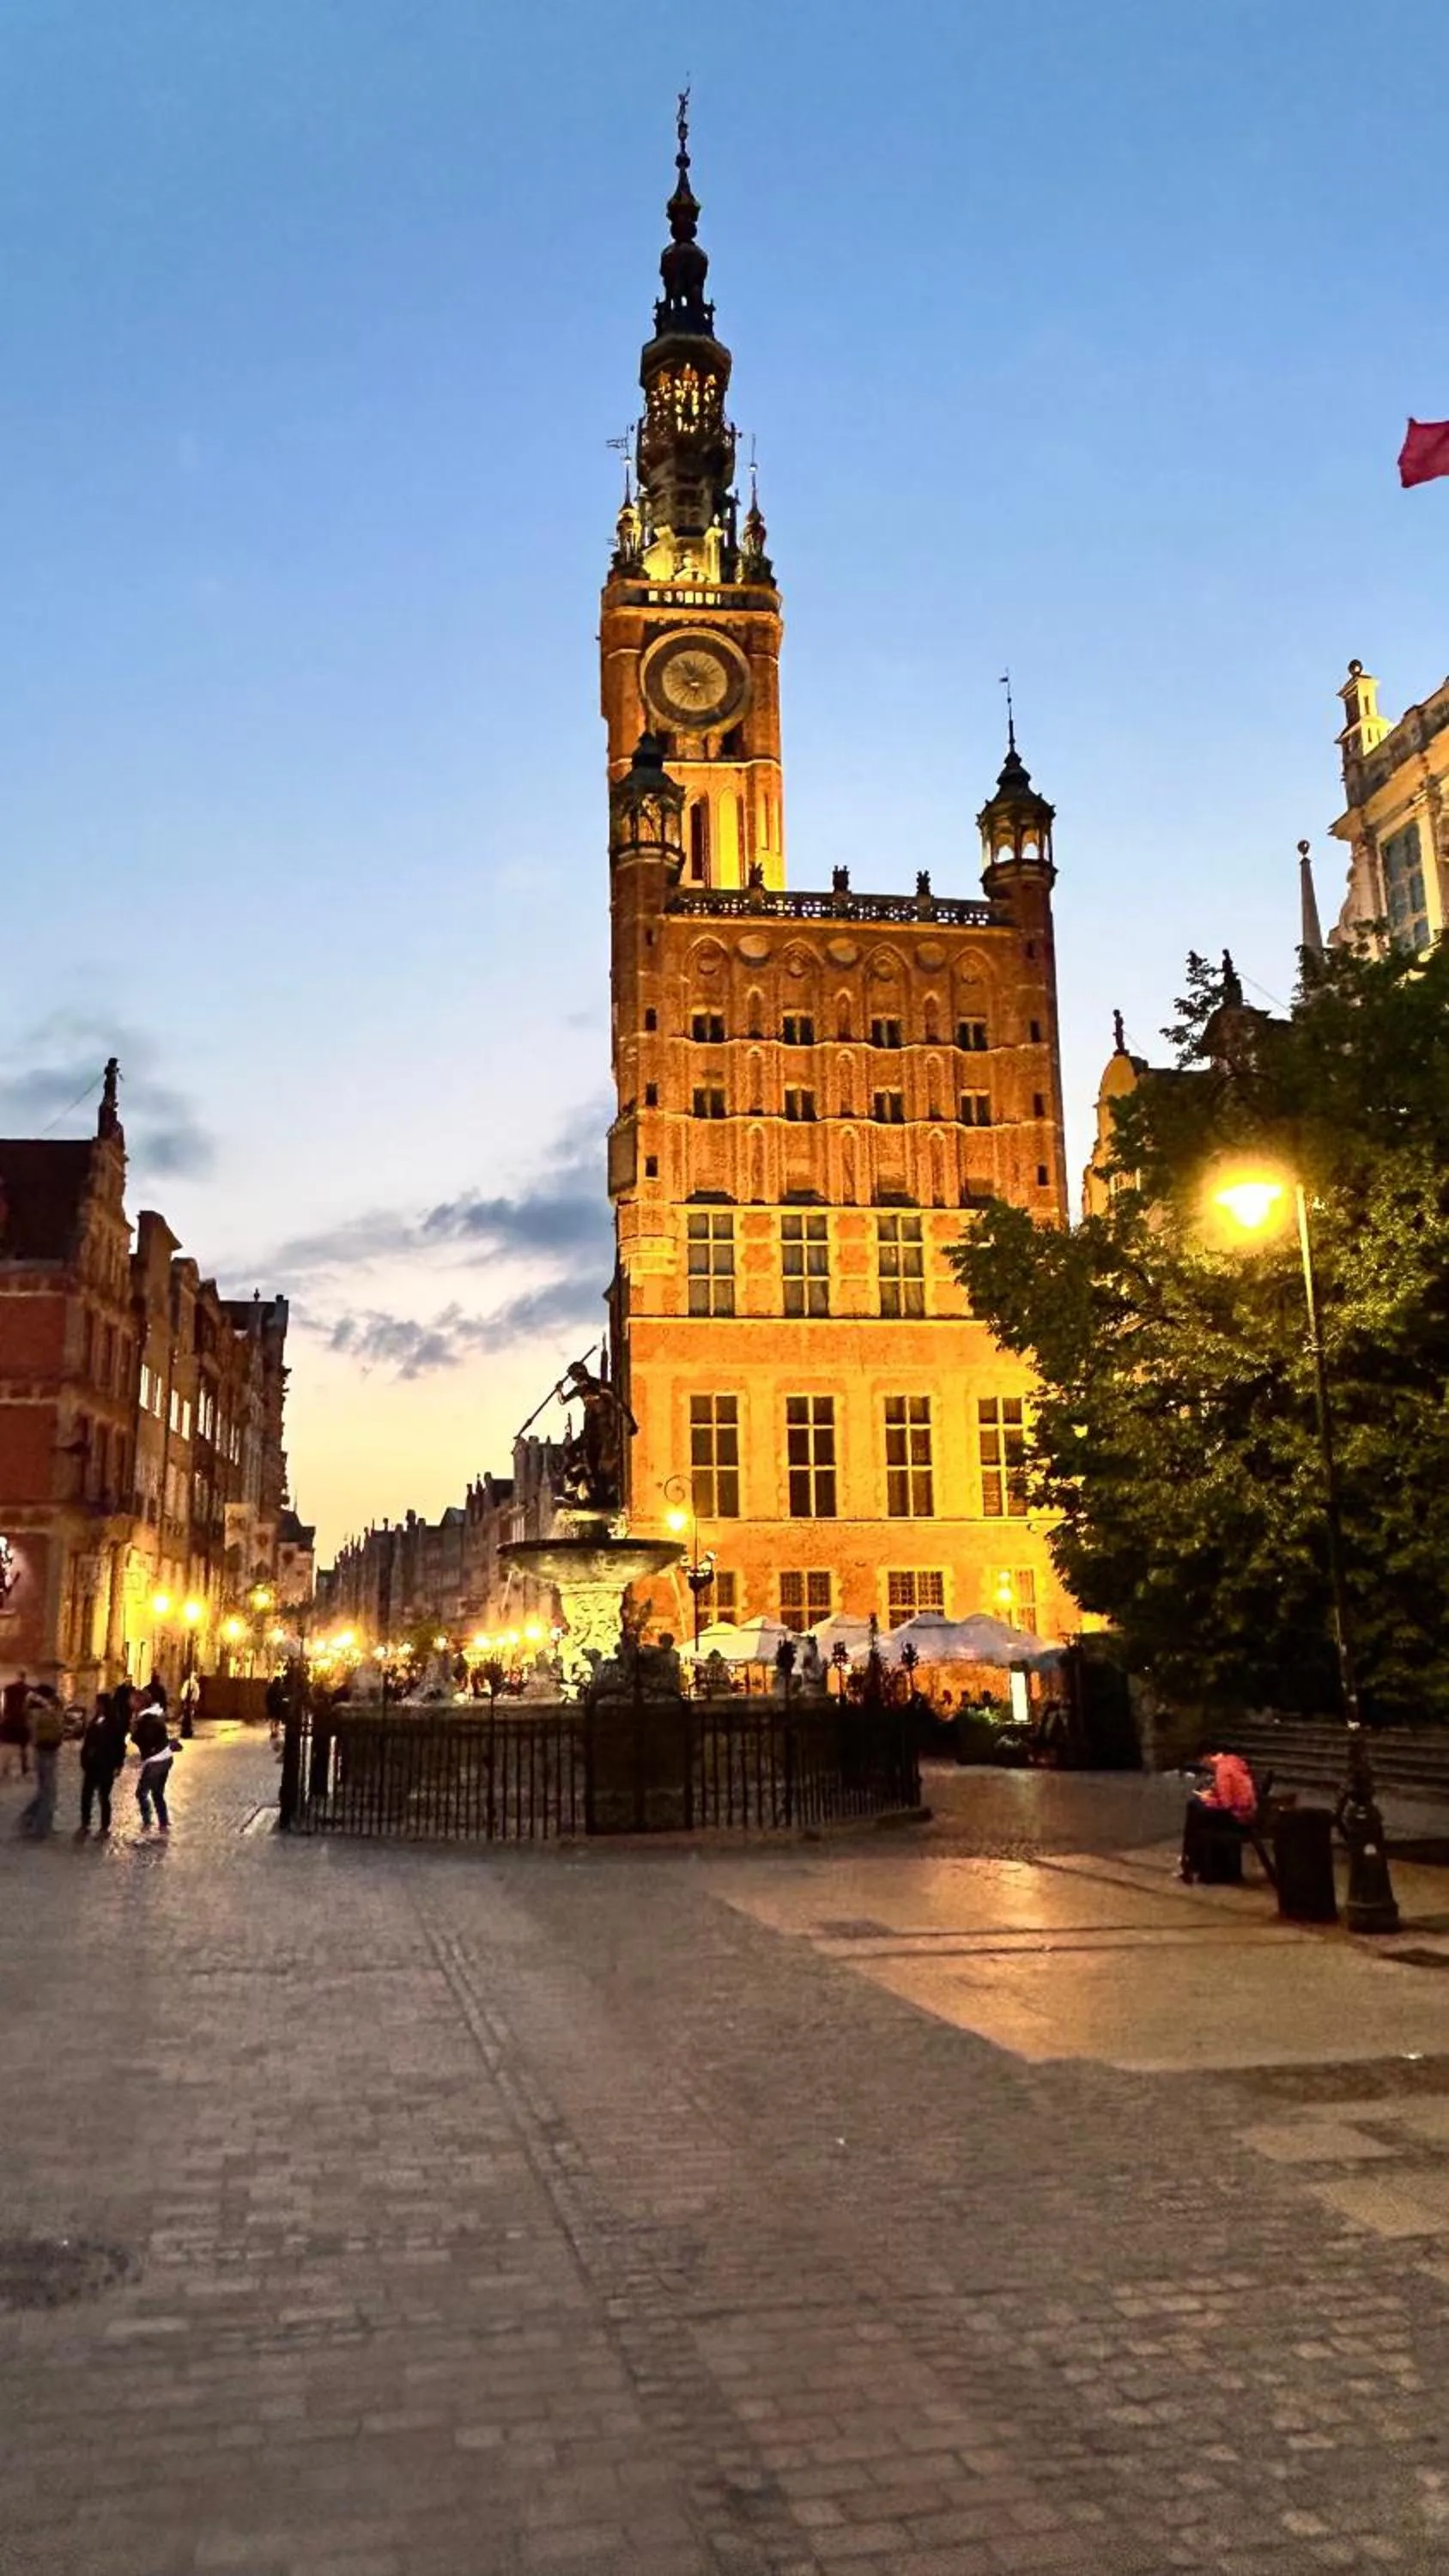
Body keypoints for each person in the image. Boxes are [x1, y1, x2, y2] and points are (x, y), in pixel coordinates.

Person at [1179, 1747, 1258, 1882]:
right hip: (1247, 1813)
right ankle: (1192, 1861)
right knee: (1197, 1809)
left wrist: (1208, 1799)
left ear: (1208, 1756)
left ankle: (1191, 1861)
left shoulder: (1223, 1769)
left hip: (1238, 1817)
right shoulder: (1235, 1763)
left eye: (1203, 1762)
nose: (1204, 1766)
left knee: (1195, 1811)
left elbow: (1227, 1803)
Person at [77, 1693, 130, 1838]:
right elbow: (88, 1741)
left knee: (103, 1796)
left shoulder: (114, 1724)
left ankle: (104, 1827)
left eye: (98, 1704)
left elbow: (120, 1746)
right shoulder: (95, 1721)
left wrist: (118, 1764)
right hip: (92, 1764)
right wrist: (85, 1758)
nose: (96, 1706)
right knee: (86, 1795)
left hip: (106, 1764)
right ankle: (85, 1823)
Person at [18, 1688, 66, 1837]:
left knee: (45, 1792)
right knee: (48, 1792)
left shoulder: (44, 1714)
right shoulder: (44, 1715)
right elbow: (47, 1731)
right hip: (45, 1754)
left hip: (46, 1753)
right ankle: (41, 1827)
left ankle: (31, 1820)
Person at [131, 1695, 179, 1832]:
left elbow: (144, 1740)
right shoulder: (155, 1716)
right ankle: (163, 1822)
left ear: (141, 1703)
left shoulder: (147, 1720)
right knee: (157, 1793)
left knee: (142, 1793)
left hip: (155, 1761)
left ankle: (148, 1821)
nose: (131, 1703)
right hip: (165, 1758)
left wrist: (135, 1731)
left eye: (133, 1700)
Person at [1, 1669, 30, 1778]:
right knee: (23, 1748)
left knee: (7, 1747)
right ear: (24, 1677)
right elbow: (28, 1707)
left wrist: (3, 1717)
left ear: (17, 1677)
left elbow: (3, 1705)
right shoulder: (28, 1690)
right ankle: (24, 1768)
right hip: (22, 1722)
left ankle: (5, 1770)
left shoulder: (8, 1689)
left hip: (9, 1721)